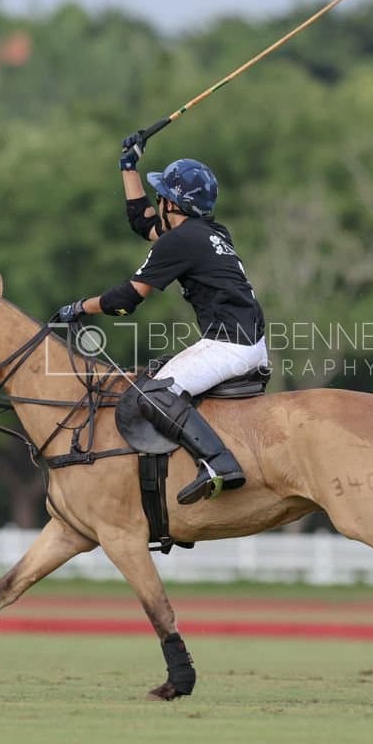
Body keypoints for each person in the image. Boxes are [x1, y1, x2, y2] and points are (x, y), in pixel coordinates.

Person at [54, 131, 267, 505]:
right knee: (155, 380)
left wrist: (79, 307)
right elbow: (143, 224)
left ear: (171, 204)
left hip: (229, 346)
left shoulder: (181, 242)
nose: (157, 203)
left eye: (161, 197)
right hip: (244, 342)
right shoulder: (211, 232)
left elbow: (126, 300)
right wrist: (128, 167)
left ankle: (220, 464)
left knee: (152, 394)